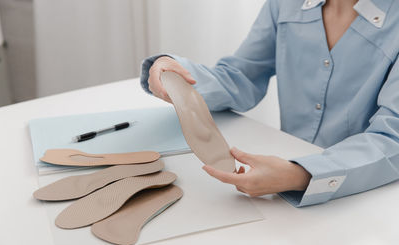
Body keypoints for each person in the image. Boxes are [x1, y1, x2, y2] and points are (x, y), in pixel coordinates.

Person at [140, 0, 399, 207]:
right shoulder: (284, 5)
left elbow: (392, 138)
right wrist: (176, 75)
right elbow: (241, 78)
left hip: (367, 199)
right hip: (280, 188)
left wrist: (301, 175)